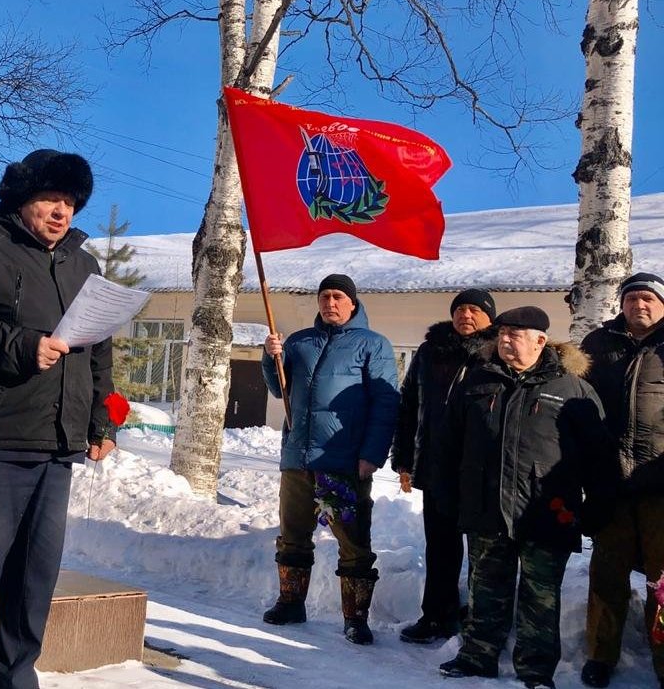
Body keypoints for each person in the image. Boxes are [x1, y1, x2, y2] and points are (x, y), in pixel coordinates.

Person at [0, 149, 117, 689]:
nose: (62, 212)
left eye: (70, 202)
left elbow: (97, 347)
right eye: (50, 199)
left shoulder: (84, 263)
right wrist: (21, 345)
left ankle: (15, 676)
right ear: (21, 199)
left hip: (58, 444)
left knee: (35, 577)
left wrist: (102, 421)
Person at [439, 306, 616, 689]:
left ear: (539, 340)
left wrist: (596, 507)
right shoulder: (477, 381)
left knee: (541, 597)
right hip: (486, 506)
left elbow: (598, 456)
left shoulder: (571, 389)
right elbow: (448, 443)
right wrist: (449, 493)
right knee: (486, 586)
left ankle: (536, 669)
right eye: (501, 333)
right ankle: (477, 655)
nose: (504, 340)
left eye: (514, 334)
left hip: (547, 509)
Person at [261, 273, 400, 645]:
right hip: (297, 459)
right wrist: (270, 356)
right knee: (292, 536)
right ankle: (291, 602)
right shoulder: (300, 342)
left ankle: (356, 618)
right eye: (325, 297)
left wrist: (371, 454)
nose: (330, 303)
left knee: (352, 540)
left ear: (353, 303)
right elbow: (279, 388)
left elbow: (386, 404)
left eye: (338, 297)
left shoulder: (373, 345)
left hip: (344, 461)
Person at [392, 288, 496, 643]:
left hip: (483, 472)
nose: (466, 315)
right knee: (440, 547)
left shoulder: (499, 351)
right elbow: (408, 406)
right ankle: (437, 615)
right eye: (460, 309)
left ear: (489, 318)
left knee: (485, 550)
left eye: (475, 310)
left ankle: (484, 620)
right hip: (438, 467)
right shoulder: (429, 352)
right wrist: (404, 459)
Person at [578, 272, 664, 688]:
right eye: (631, 299)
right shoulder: (598, 344)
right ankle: (600, 654)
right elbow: (577, 406)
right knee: (606, 574)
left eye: (648, 298)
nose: (639, 305)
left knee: (662, 580)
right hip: (610, 481)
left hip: (660, 484)